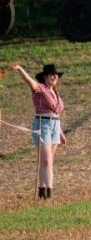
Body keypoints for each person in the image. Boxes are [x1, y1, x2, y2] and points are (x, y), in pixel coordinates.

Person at [11, 62, 64, 199]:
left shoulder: (55, 92)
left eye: (56, 75)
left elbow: (57, 113)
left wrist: (60, 132)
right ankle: (48, 192)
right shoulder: (40, 88)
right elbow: (30, 82)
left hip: (55, 126)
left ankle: (43, 189)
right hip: (43, 124)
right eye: (51, 75)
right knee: (46, 160)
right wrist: (20, 69)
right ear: (45, 77)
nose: (54, 77)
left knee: (49, 161)